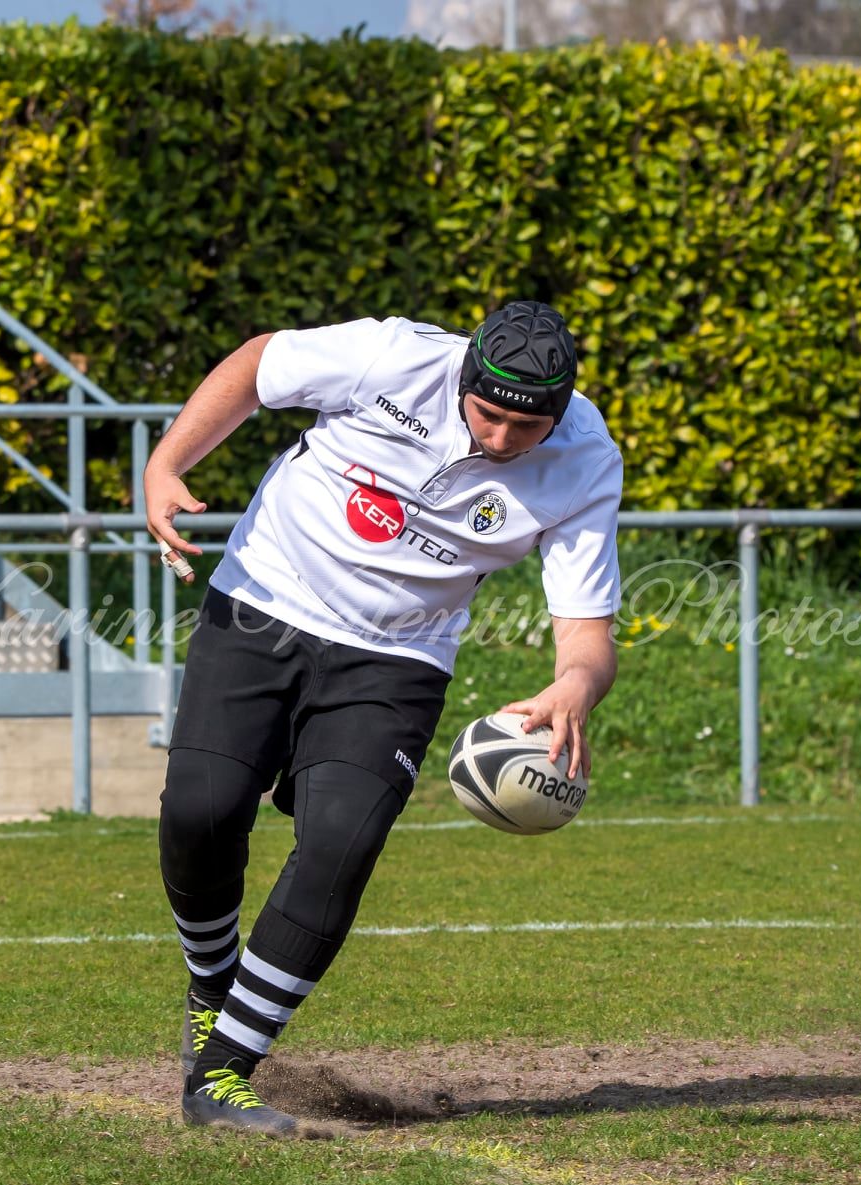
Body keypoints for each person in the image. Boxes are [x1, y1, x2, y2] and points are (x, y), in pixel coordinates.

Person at [143, 301, 624, 1137]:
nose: (506, 439)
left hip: (397, 663)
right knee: (201, 808)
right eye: (490, 414)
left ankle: (221, 1075)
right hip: (263, 601)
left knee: (340, 846)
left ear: (562, 411)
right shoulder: (391, 357)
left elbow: (586, 637)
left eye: (528, 426)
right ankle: (210, 985)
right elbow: (258, 364)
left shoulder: (584, 461)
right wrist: (166, 464)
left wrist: (575, 688)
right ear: (465, 380)